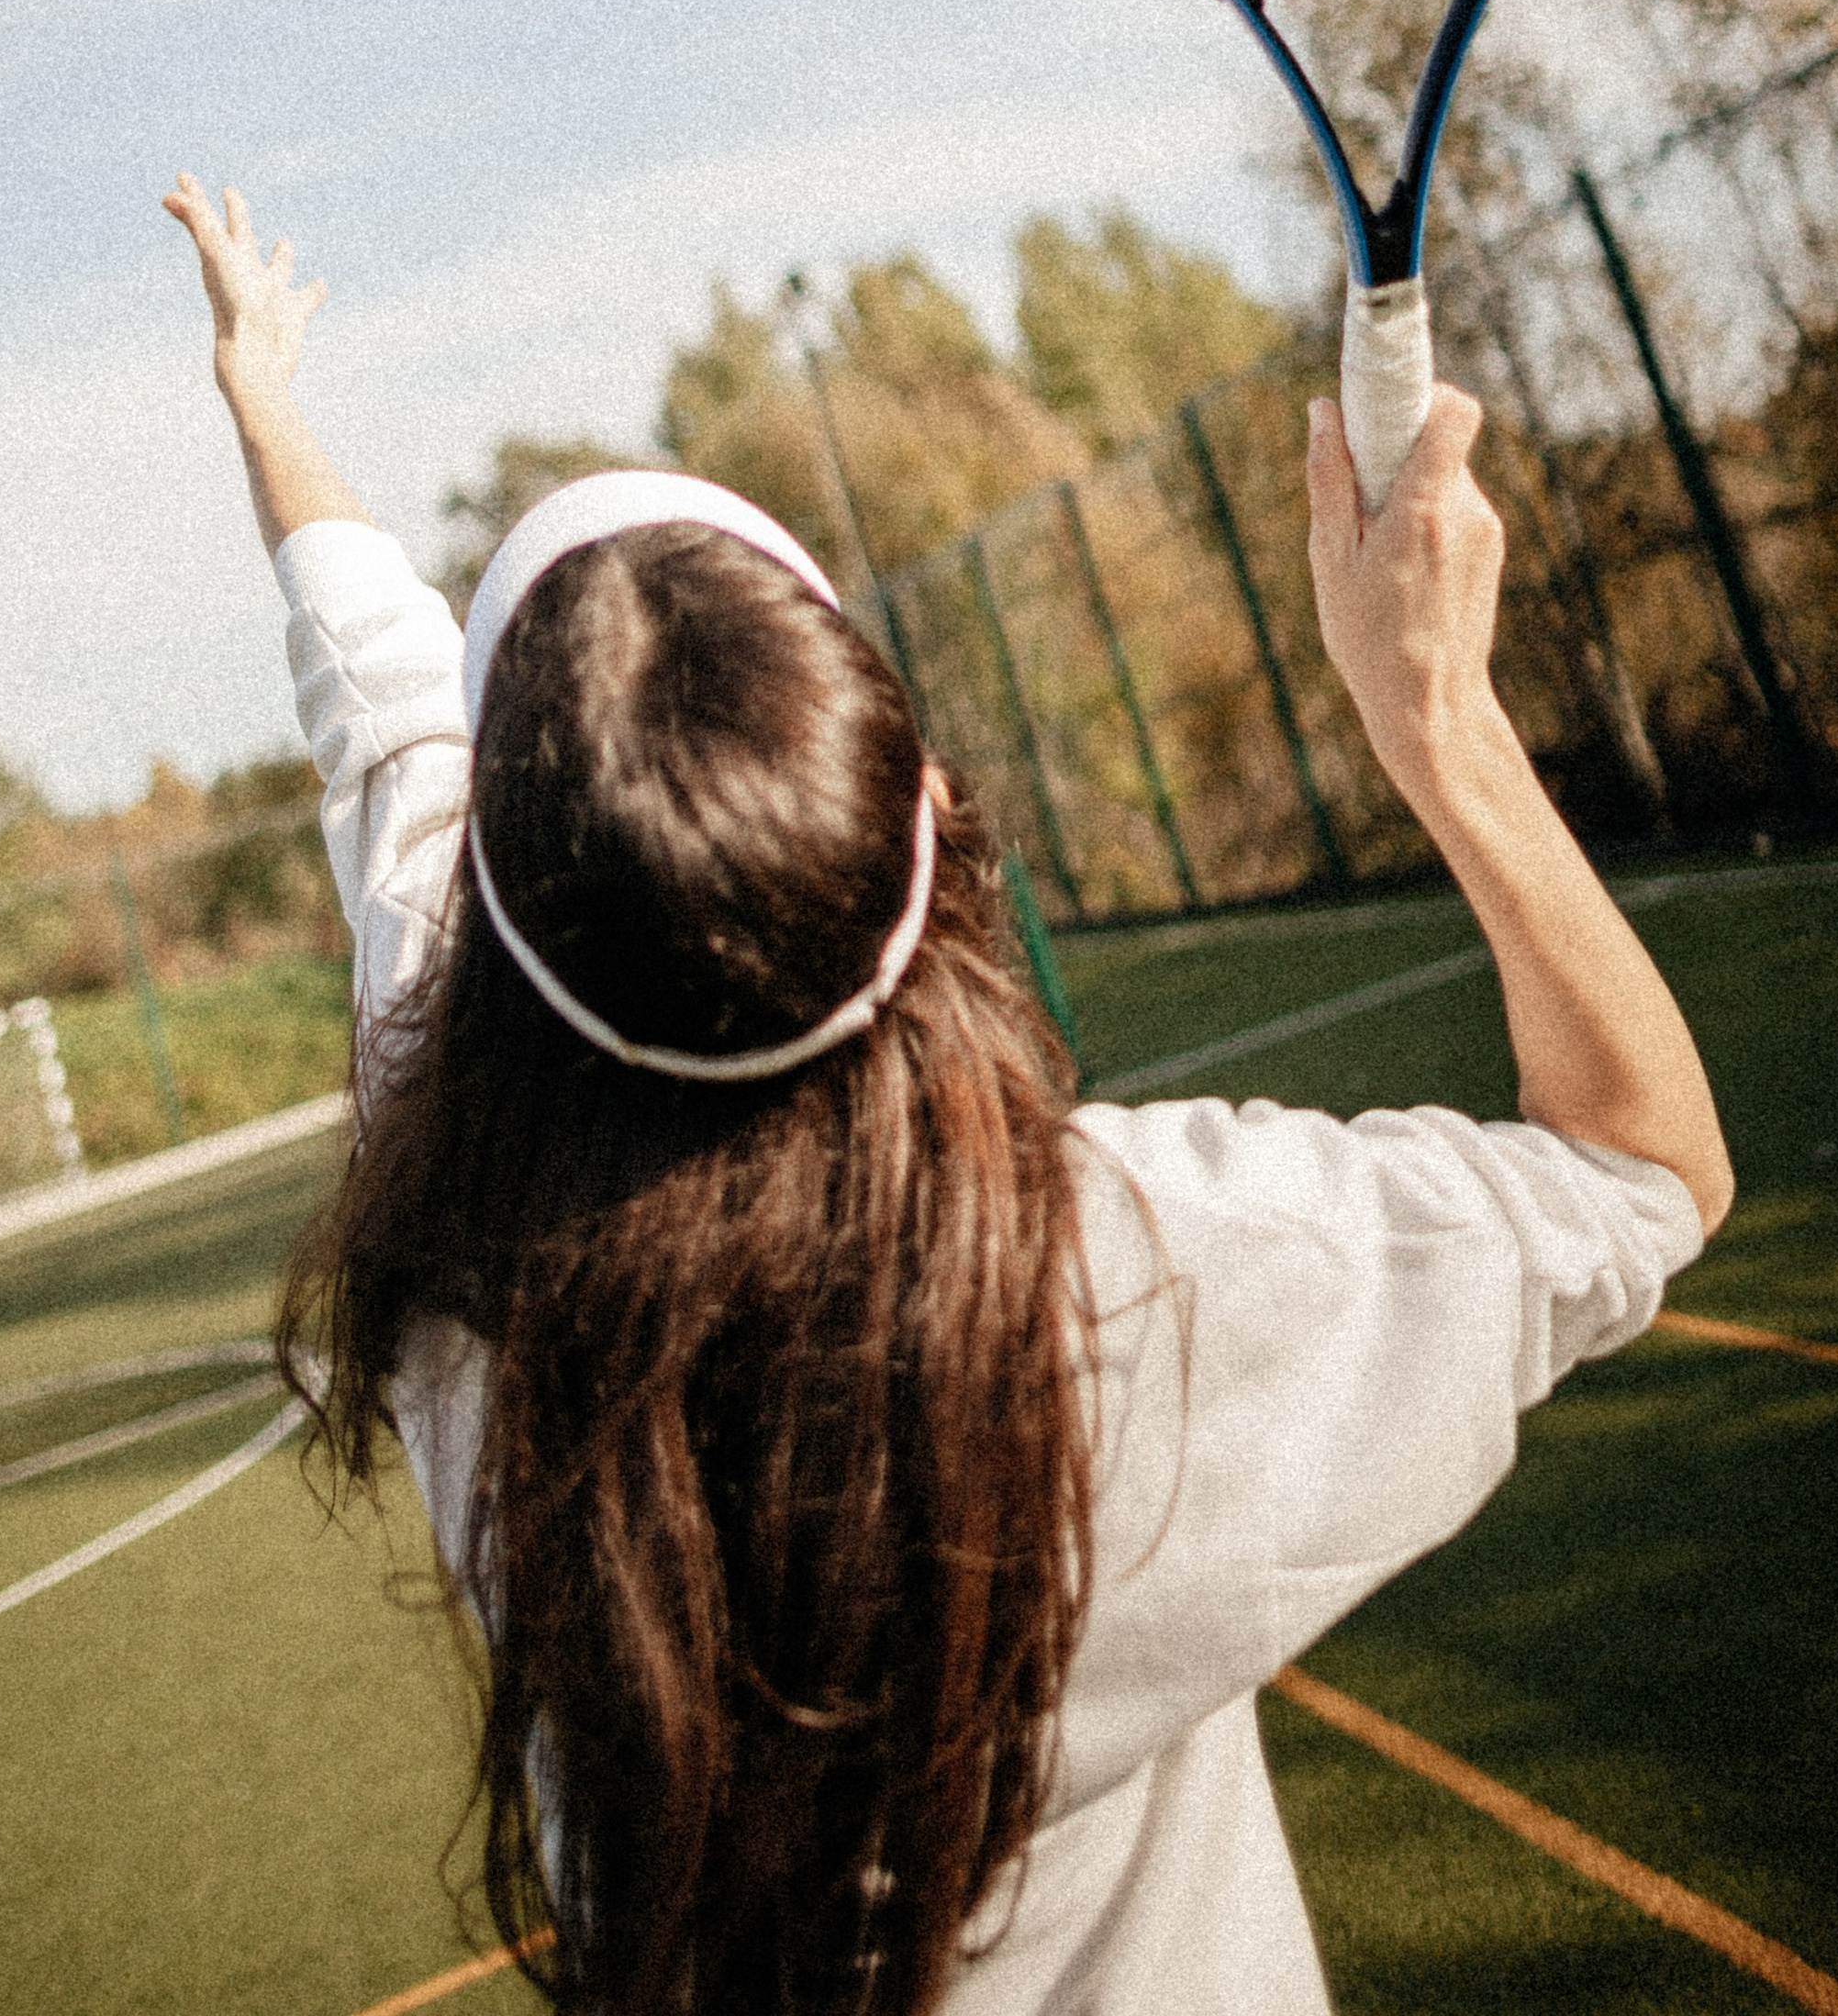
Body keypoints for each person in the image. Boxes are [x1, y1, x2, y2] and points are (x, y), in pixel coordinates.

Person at [164, 172, 1730, 2016]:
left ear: (498, 945)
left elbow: (385, 710)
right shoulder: (1145, 1271)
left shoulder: (469, 1296)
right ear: (913, 826)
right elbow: (1644, 1168)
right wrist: (1442, 722)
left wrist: (265, 404)